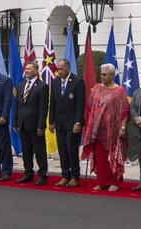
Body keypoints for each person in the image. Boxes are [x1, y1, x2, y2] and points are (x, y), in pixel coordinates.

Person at [81, 62, 129, 192]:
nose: (101, 76)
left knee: (112, 156)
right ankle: (102, 182)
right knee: (100, 157)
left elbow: (124, 111)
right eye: (101, 74)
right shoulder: (96, 88)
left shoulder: (119, 91)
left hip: (113, 130)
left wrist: (123, 128)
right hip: (97, 129)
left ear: (112, 75)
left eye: (104, 74)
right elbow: (90, 107)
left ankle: (114, 182)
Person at [49, 57, 84, 188]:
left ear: (68, 68)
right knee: (62, 150)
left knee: (71, 149)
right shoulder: (56, 81)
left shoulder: (78, 82)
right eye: (58, 68)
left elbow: (80, 105)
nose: (59, 71)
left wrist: (78, 122)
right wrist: (51, 121)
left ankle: (75, 176)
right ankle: (65, 175)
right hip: (59, 123)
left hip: (72, 123)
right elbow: (52, 102)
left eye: (61, 68)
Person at [15, 60, 48, 185]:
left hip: (35, 125)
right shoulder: (20, 85)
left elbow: (43, 108)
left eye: (29, 69)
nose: (26, 71)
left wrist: (41, 126)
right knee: (26, 151)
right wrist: (16, 122)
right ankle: (28, 173)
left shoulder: (42, 86)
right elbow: (18, 106)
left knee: (39, 151)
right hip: (23, 124)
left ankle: (42, 175)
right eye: (26, 69)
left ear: (36, 70)